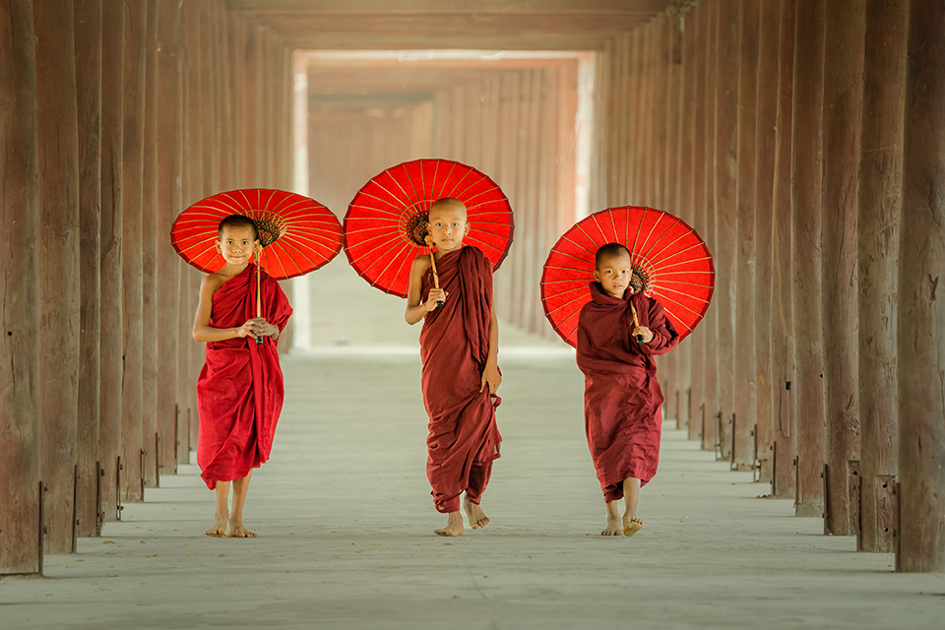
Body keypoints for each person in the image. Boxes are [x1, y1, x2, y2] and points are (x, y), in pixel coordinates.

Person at [405, 198, 502, 537]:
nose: (448, 231)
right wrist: (429, 303)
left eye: (455, 224)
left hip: (475, 360)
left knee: (479, 429)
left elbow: (490, 318)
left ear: (467, 228)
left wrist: (492, 363)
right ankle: (452, 513)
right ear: (428, 230)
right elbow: (410, 315)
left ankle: (473, 498)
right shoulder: (421, 265)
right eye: (440, 225)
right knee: (443, 432)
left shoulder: (479, 263)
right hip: (439, 360)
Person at [192, 215, 292, 538]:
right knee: (222, 442)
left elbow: (279, 326)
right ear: (217, 244)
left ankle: (237, 517)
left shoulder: (266, 284)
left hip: (254, 372)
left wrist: (268, 328)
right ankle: (219, 511)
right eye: (230, 243)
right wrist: (237, 329)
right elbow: (199, 332)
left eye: (245, 243)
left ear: (256, 246)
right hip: (221, 374)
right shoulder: (212, 282)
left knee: (244, 443)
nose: (237, 250)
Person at [576, 243, 679, 537]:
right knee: (606, 449)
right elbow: (584, 357)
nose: (617, 278)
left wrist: (649, 336)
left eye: (623, 271)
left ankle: (631, 513)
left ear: (632, 272)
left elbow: (669, 338)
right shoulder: (590, 312)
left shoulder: (646, 307)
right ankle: (612, 516)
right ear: (597, 274)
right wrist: (609, 374)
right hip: (604, 390)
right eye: (609, 272)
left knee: (635, 444)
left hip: (639, 388)